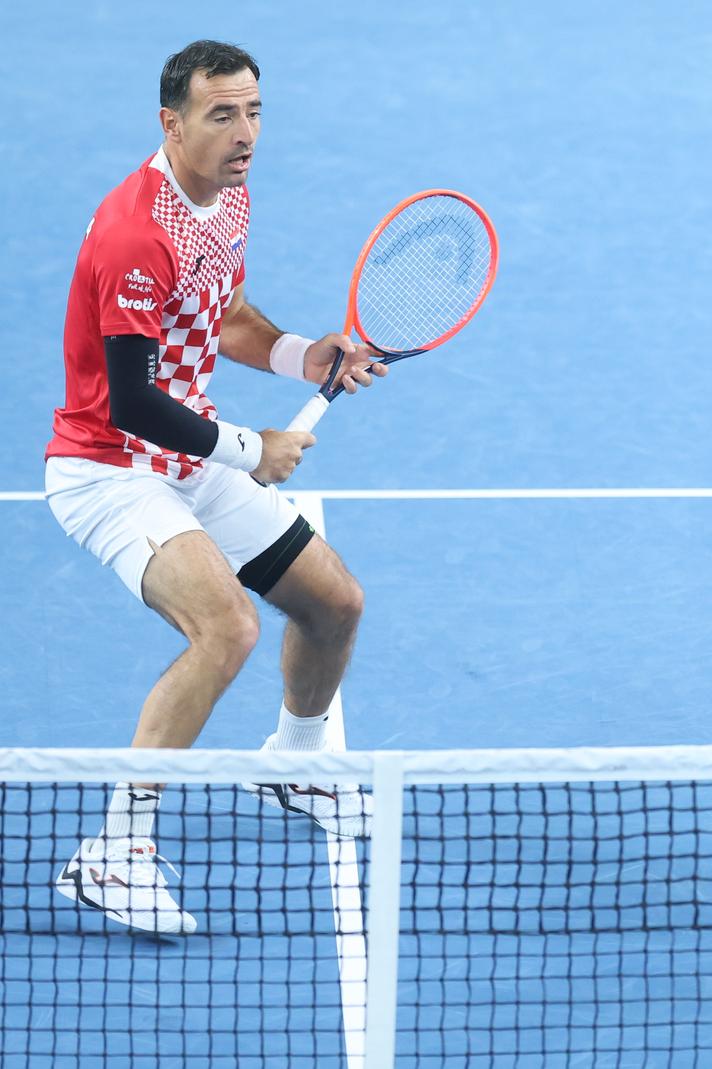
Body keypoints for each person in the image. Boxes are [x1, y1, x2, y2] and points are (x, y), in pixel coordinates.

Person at [45, 40, 387, 935]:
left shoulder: (225, 198)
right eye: (222, 115)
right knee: (224, 627)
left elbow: (223, 313)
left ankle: (296, 760)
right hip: (108, 468)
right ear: (173, 122)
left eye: (255, 112)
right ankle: (114, 853)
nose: (245, 134)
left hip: (184, 458)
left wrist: (301, 353)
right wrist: (250, 448)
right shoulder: (134, 231)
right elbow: (128, 399)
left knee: (335, 605)